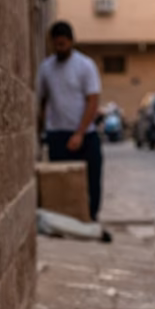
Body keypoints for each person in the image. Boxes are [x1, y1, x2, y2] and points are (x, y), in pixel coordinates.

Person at [37, 21, 103, 221]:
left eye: (63, 44)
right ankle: (65, 219)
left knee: (92, 178)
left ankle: (91, 217)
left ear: (71, 42)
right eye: (56, 45)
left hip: (85, 133)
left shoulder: (85, 65)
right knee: (60, 182)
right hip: (57, 133)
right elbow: (42, 99)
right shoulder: (46, 68)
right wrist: (41, 129)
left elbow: (92, 101)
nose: (60, 48)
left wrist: (80, 133)